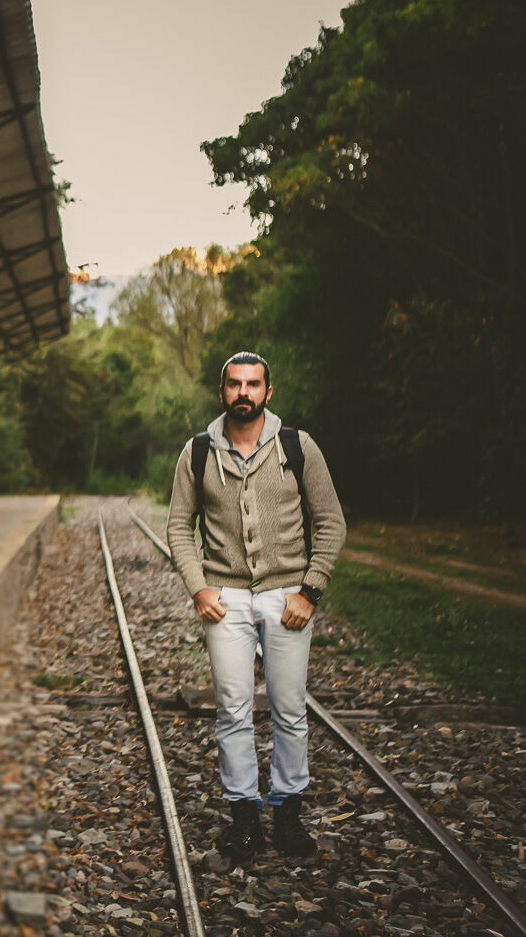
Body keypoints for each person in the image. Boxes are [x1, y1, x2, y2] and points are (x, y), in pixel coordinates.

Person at [166, 351, 346, 863]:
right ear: (221, 392)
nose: (243, 392)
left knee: (290, 709)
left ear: (269, 391)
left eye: (253, 384)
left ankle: (288, 812)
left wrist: (310, 589)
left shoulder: (298, 447)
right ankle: (244, 815)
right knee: (233, 709)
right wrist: (199, 587)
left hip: (287, 596)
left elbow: (331, 521)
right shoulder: (197, 452)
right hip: (224, 599)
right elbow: (180, 525)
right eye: (234, 385)